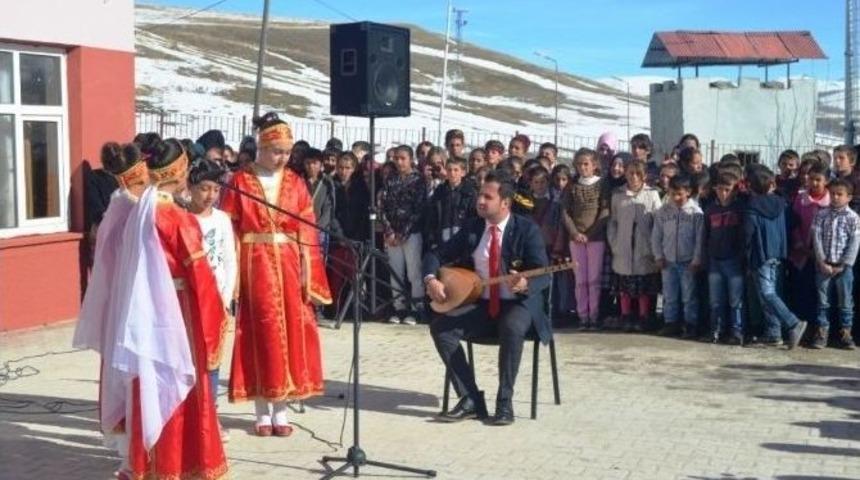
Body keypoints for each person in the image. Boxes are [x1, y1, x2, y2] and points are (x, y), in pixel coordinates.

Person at [221, 112, 332, 436]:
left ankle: (281, 409)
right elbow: (230, 228)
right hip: (255, 262)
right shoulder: (240, 181)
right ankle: (261, 409)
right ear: (262, 147)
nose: (282, 157)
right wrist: (233, 276)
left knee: (290, 331)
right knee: (260, 330)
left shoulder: (296, 183)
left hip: (287, 263)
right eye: (277, 151)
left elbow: (307, 230)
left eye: (287, 152)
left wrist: (308, 271)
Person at [125, 138, 229, 479]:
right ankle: (180, 461)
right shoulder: (176, 216)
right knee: (179, 380)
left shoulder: (140, 210)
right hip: (177, 310)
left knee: (151, 381)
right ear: (181, 172)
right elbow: (199, 275)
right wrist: (215, 316)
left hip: (146, 309)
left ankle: (149, 462)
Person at [423, 170, 550, 426]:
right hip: (481, 304)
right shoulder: (472, 228)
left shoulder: (527, 229)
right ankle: (470, 398)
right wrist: (430, 279)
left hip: (518, 305)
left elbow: (544, 273)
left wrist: (526, 283)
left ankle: (505, 402)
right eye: (480, 195)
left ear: (505, 202)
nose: (480, 201)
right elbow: (435, 254)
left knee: (512, 327)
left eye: (487, 197)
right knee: (442, 328)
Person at [74, 141, 151, 476]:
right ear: (135, 179)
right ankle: (130, 455)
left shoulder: (117, 209)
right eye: (145, 181)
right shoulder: (129, 211)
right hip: (130, 306)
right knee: (130, 378)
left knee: (129, 378)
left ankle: (132, 453)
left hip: (127, 303)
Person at [187, 158, 238, 443]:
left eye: (215, 190)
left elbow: (229, 260)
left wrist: (226, 297)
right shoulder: (183, 217)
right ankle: (188, 417)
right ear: (191, 188)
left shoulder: (221, 220)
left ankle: (210, 415)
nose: (209, 196)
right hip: (188, 300)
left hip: (216, 302)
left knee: (213, 362)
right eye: (204, 189)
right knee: (189, 361)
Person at [744, 165, 807, 349]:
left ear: (750, 186)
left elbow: (748, 235)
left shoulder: (751, 208)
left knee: (767, 292)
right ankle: (773, 333)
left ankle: (793, 323)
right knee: (772, 293)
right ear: (771, 184)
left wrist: (746, 259)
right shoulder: (782, 203)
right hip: (779, 254)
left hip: (761, 255)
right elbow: (794, 221)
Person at [607, 159, 662, 331]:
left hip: (644, 247)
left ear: (644, 176)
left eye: (638, 174)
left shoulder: (652, 194)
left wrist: (654, 246)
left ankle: (644, 317)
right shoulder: (618, 195)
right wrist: (614, 243)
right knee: (624, 285)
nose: (634, 177)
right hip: (623, 248)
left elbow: (658, 222)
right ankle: (625, 316)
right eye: (631, 173)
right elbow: (613, 222)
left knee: (643, 285)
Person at [560, 148, 609, 329]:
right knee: (580, 280)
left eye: (586, 164)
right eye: (579, 164)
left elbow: (605, 210)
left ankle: (594, 316)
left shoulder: (601, 184)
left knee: (594, 279)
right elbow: (565, 212)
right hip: (576, 240)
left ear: (594, 165)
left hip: (595, 239)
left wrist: (590, 234)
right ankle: (583, 316)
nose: (583, 167)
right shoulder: (572, 186)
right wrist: (575, 233)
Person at [379, 144, 427, 325]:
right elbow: (382, 206)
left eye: (403, 158)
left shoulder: (418, 180)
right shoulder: (390, 179)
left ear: (410, 159)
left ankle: (416, 309)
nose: (399, 162)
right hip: (392, 235)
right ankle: (399, 307)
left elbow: (419, 210)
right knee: (395, 272)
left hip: (411, 233)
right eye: (396, 158)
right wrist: (389, 231)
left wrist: (404, 233)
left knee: (414, 272)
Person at [652, 175, 704, 339]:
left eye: (679, 194)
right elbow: (656, 235)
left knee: (689, 295)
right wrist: (658, 256)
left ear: (688, 192)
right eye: (673, 193)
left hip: (687, 261)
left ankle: (690, 325)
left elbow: (699, 239)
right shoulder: (663, 211)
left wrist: (696, 260)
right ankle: (671, 323)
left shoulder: (696, 213)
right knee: (669, 294)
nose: (676, 198)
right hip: (668, 261)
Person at [811, 178, 860, 349]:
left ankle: (845, 333)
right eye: (832, 194)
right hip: (824, 265)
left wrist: (844, 264)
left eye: (840, 194)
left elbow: (854, 243)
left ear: (849, 197)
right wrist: (822, 261)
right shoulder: (821, 214)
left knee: (845, 301)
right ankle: (822, 332)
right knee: (823, 301)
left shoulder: (853, 218)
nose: (835, 197)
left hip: (843, 267)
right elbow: (816, 239)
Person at [703, 173, 746, 345]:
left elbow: (744, 235)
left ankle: (737, 331)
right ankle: (716, 330)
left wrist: (742, 256)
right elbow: (705, 234)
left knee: (736, 299)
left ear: (734, 191)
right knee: (715, 299)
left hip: (734, 260)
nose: (723, 193)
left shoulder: (740, 209)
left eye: (727, 190)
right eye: (720, 189)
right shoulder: (710, 210)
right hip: (715, 260)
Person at [787, 163, 830, 326]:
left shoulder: (830, 200)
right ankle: (800, 325)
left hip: (824, 256)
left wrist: (821, 253)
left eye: (818, 180)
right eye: (811, 179)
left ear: (826, 181)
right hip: (802, 253)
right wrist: (801, 246)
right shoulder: (801, 198)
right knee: (802, 290)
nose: (814, 183)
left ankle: (818, 326)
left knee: (821, 293)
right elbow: (794, 223)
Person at [423, 156, 477, 252]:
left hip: (462, 238)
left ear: (463, 173)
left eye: (456, 170)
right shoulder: (440, 191)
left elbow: (473, 217)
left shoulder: (470, 192)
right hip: (442, 237)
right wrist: (432, 238)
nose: (452, 173)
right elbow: (433, 216)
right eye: (449, 170)